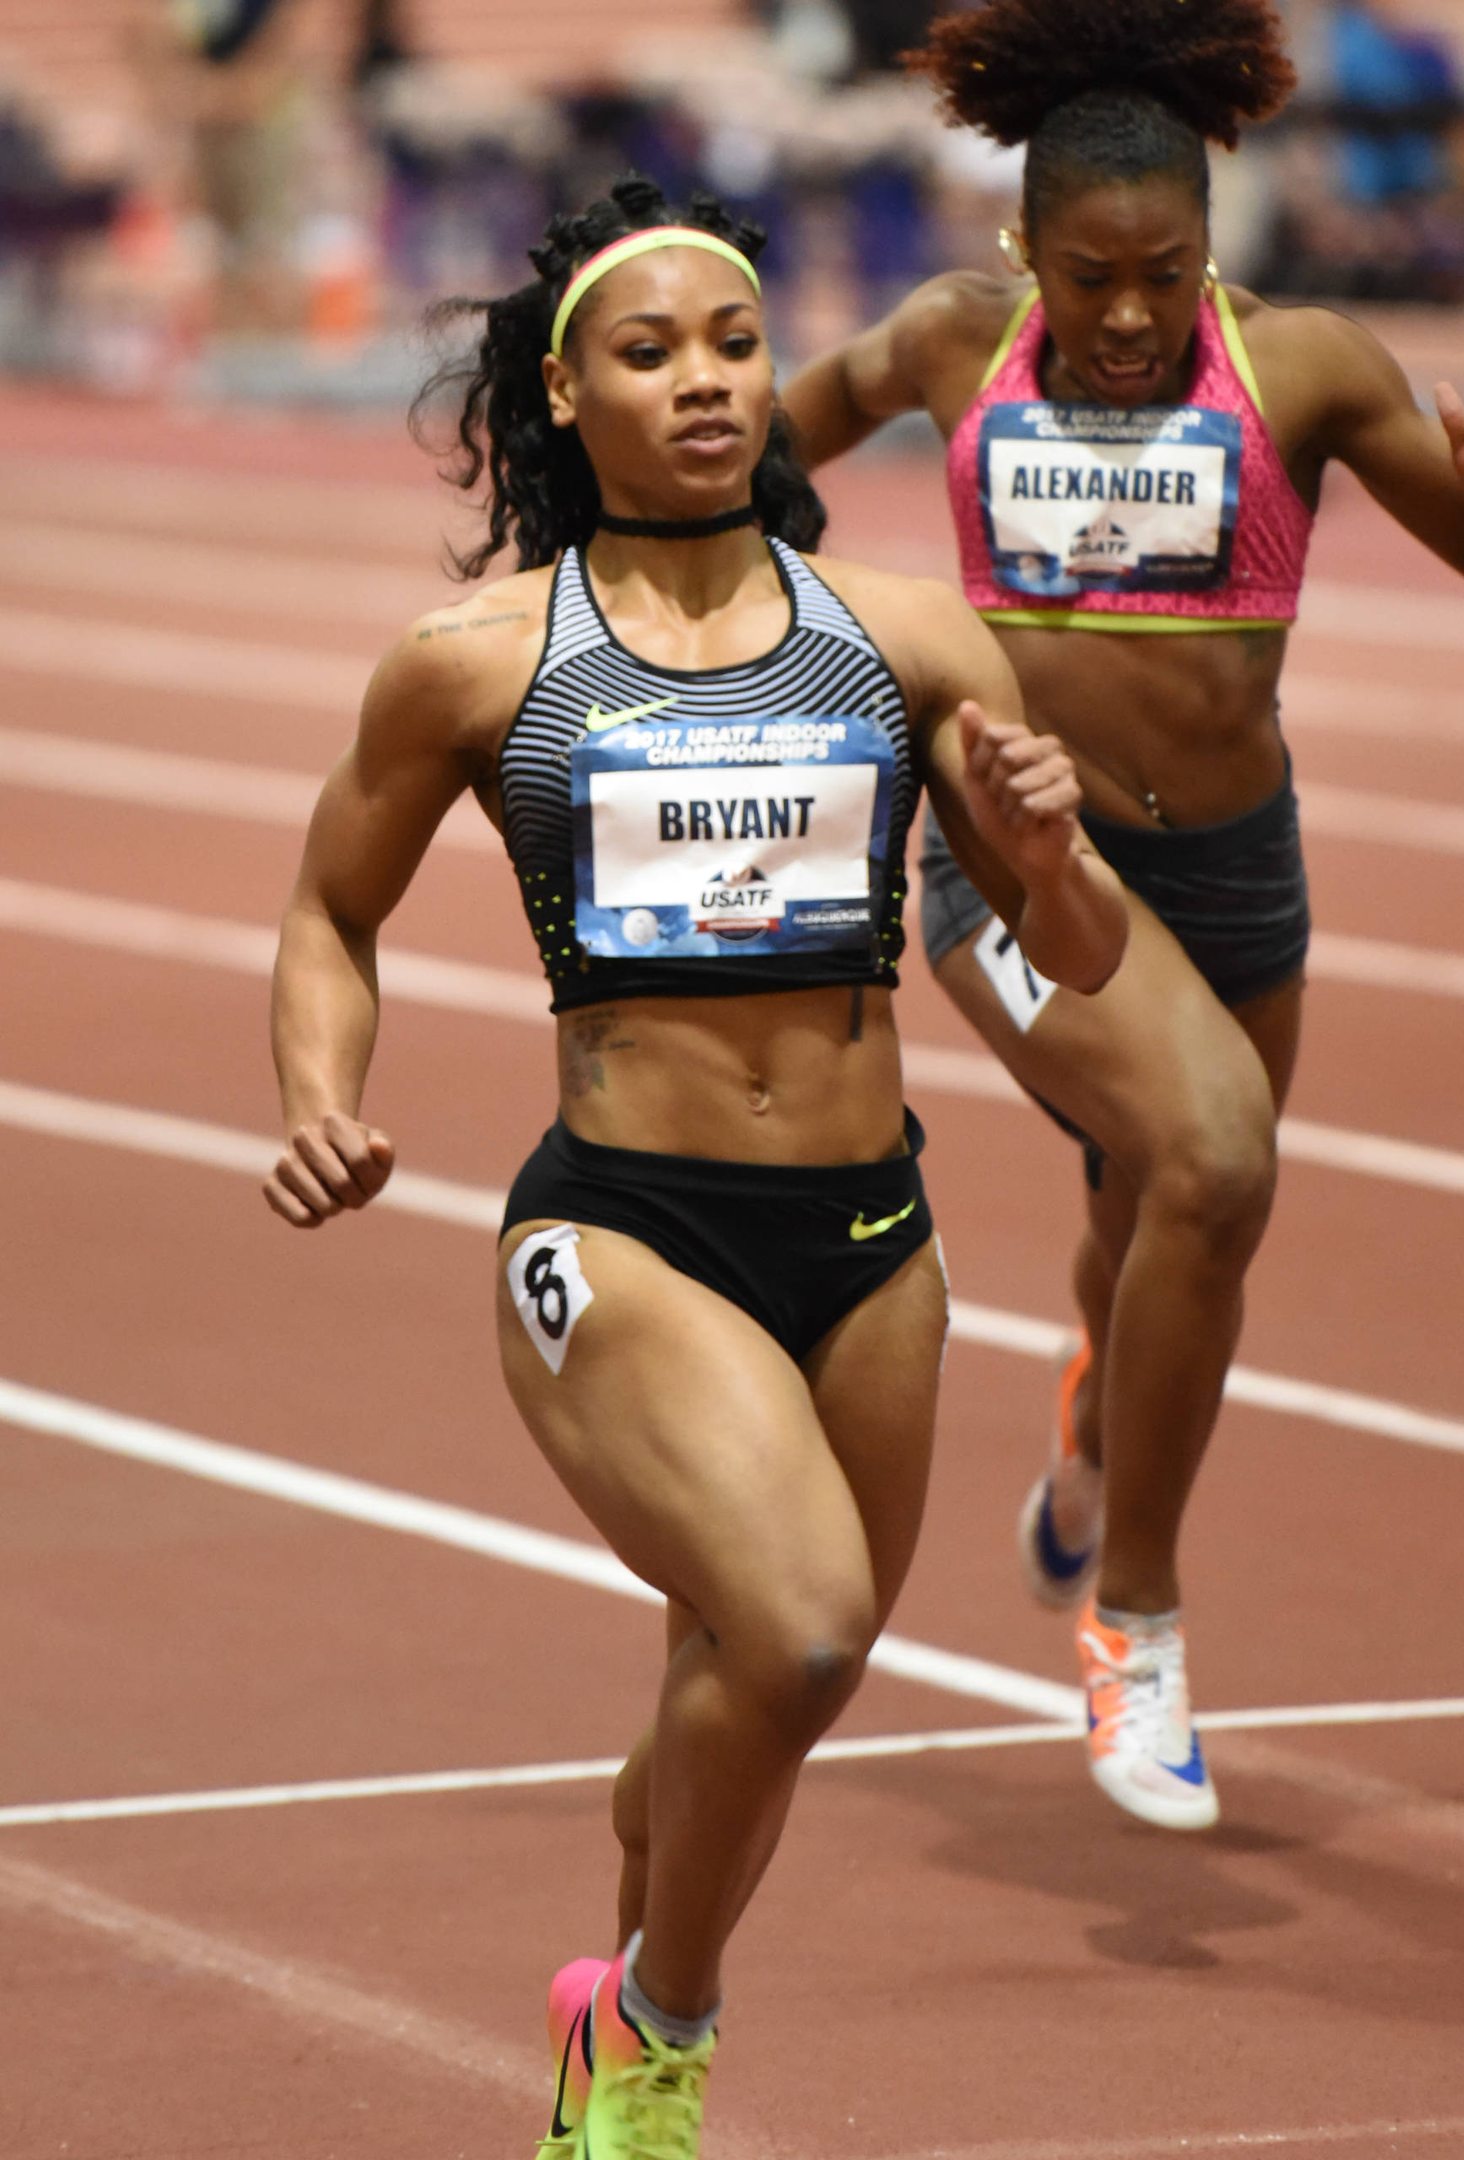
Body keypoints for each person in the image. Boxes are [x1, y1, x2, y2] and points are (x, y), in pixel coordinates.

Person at [262, 176, 1126, 2160]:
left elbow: (1065, 965)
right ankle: (651, 2044)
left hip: (868, 1236)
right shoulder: (478, 664)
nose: (707, 384)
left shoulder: (908, 641)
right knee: (807, 1626)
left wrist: (1055, 841)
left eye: (732, 344)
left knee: (750, 1695)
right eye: (648, 355)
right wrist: (319, 1091)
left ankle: (622, 1946)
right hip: (622, 1229)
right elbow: (331, 910)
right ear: (565, 396)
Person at [782, 0, 1464, 1833]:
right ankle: (1137, 1625)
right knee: (1211, 1161)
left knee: (1167, 1217)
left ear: (1212, 243)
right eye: (1088, 275)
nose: (1120, 317)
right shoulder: (959, 339)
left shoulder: (1305, 370)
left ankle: (1096, 1412)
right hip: (1015, 864)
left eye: (1160, 276)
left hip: (1236, 868)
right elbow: (783, 439)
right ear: (1026, 249)